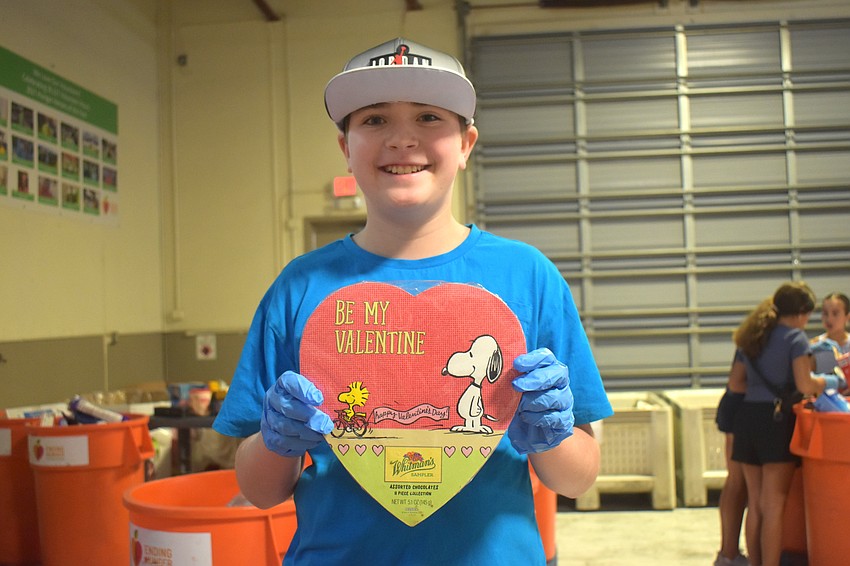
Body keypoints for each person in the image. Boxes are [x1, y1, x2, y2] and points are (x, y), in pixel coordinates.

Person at [213, 37, 613, 565]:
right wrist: (275, 439)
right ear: (346, 148)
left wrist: (552, 436)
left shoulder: (529, 277)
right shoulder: (299, 287)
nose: (403, 139)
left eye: (428, 117)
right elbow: (260, 490)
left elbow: (577, 479)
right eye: (374, 120)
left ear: (466, 144)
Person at [730, 281, 845, 566]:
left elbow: (736, 383)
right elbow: (805, 382)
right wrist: (832, 380)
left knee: (754, 503)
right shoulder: (795, 339)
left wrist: (760, 393)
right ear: (801, 312)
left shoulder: (753, 336)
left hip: (747, 419)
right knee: (774, 505)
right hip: (776, 421)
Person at [714, 358, 748, 566]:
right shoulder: (757, 337)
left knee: (736, 483)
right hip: (741, 410)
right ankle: (729, 553)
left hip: (737, 408)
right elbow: (736, 382)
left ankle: (728, 553)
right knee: (738, 484)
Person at [810, 292, 850, 374]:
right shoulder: (815, 345)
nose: (829, 319)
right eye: (825, 313)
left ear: (847, 317)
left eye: (835, 313)